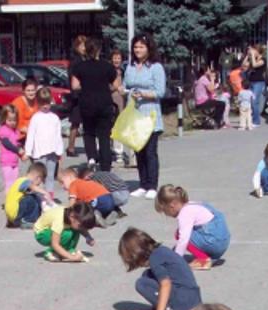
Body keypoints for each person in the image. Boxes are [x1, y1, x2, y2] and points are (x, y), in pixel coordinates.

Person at [118, 227, 202, 310]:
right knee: (147, 275)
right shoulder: (160, 252)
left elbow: (166, 284)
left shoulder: (155, 259)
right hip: (191, 299)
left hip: (185, 303)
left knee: (142, 284)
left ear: (137, 254)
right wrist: (155, 308)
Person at [124, 34, 167, 199]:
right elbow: (127, 86)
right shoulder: (131, 67)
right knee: (139, 151)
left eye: (141, 47)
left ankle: (152, 185)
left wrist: (144, 94)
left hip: (150, 114)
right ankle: (142, 184)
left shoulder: (156, 67)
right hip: (134, 113)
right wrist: (126, 91)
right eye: (135, 47)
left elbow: (160, 91)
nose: (138, 50)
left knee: (150, 152)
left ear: (149, 48)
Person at [69, 35, 119, 171]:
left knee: (89, 132)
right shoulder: (107, 67)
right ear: (99, 50)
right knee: (104, 134)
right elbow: (116, 85)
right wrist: (104, 86)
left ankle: (91, 157)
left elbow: (74, 86)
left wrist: (87, 85)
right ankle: (106, 164)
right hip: (104, 103)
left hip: (87, 103)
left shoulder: (80, 67)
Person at [154, 184, 230, 271]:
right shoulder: (193, 204)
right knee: (188, 232)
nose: (166, 214)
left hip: (215, 244)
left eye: (165, 211)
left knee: (179, 234)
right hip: (223, 240)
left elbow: (183, 239)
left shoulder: (184, 214)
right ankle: (208, 256)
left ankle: (203, 259)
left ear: (172, 206)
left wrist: (175, 260)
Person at [23, 87, 64, 201]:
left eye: (47, 103)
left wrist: (59, 151)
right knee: (39, 177)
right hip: (39, 152)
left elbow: (57, 135)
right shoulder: (35, 118)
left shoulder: (54, 118)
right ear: (38, 103)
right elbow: (30, 135)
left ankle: (49, 198)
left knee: (50, 176)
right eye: (42, 103)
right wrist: (28, 151)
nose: (45, 106)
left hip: (52, 151)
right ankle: (40, 198)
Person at [4, 162, 49, 228]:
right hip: (15, 213)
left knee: (35, 197)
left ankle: (17, 221)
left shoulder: (19, 181)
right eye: (40, 182)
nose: (39, 184)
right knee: (32, 198)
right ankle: (28, 221)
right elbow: (32, 187)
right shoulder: (24, 181)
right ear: (38, 178)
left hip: (11, 214)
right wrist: (45, 192)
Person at [65, 35, 89, 159]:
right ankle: (71, 147)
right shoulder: (76, 61)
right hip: (78, 96)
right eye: (81, 46)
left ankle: (80, 146)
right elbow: (73, 79)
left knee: (81, 122)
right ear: (77, 47)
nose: (84, 48)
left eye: (85, 45)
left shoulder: (85, 59)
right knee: (75, 123)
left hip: (83, 95)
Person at [0, 103, 24, 193]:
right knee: (9, 183)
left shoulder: (16, 131)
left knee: (15, 183)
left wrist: (21, 148)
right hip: (6, 162)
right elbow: (7, 143)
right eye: (9, 120)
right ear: (4, 119)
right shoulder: (3, 130)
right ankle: (9, 201)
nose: (12, 122)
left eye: (14, 120)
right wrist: (18, 150)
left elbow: (18, 142)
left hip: (14, 161)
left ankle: (13, 200)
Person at [9, 77, 42, 142]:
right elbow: (19, 125)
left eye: (33, 90)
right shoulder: (18, 103)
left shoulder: (37, 101)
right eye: (28, 90)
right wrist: (34, 133)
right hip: (20, 136)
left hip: (34, 133)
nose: (31, 93)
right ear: (23, 91)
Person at [245, 44, 268, 127]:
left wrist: (252, 57)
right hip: (251, 82)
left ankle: (256, 121)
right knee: (250, 101)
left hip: (259, 82)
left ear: (258, 51)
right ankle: (251, 119)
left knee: (255, 101)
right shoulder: (252, 59)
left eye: (254, 50)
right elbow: (243, 66)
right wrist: (247, 56)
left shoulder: (263, 60)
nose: (253, 52)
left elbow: (255, 65)